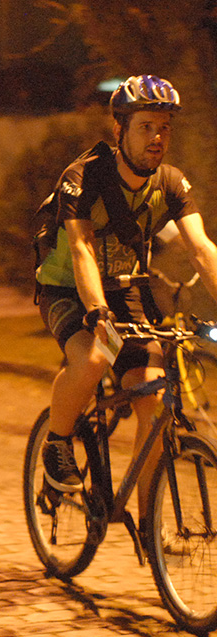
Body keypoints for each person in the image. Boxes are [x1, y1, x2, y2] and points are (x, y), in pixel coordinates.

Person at [34, 75, 217, 545]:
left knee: (154, 403)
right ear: (120, 130)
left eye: (164, 127)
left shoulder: (170, 182)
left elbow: (201, 248)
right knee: (95, 358)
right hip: (68, 289)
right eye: (145, 127)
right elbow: (81, 248)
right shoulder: (84, 177)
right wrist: (96, 311)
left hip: (124, 290)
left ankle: (149, 523)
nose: (157, 137)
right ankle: (57, 443)